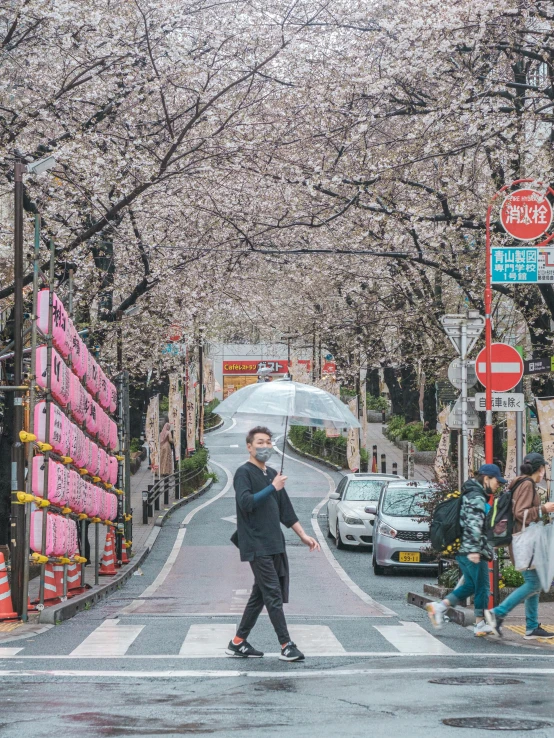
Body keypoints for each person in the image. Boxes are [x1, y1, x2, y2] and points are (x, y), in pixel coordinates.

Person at [226, 426, 320, 662]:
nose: (265, 446)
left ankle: (238, 642)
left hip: (274, 543)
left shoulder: (272, 474)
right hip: (256, 544)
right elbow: (246, 502)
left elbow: (286, 512)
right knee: (272, 594)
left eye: (268, 442)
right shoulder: (243, 473)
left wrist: (303, 536)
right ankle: (286, 644)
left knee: (260, 595)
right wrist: (272, 487)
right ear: (249, 446)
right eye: (260, 442)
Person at [426, 464, 506, 636]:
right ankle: (480, 623)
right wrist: (475, 550)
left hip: (464, 548)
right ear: (486, 479)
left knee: (470, 585)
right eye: (496, 481)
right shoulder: (476, 497)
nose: (498, 485)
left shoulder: (471, 493)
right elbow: (473, 524)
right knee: (483, 586)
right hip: (472, 550)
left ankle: (439, 608)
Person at [485, 453, 554, 639]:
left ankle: (531, 626)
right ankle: (497, 613)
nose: (543, 473)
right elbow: (520, 513)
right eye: (543, 469)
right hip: (525, 541)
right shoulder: (527, 484)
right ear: (539, 469)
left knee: (535, 582)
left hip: (522, 540)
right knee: (533, 583)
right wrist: (543, 509)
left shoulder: (518, 482)